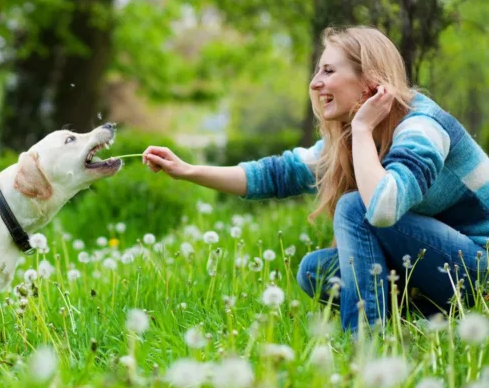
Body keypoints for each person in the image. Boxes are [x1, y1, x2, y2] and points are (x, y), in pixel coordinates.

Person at [142, 25, 489, 333]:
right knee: (316, 270)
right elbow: (274, 175)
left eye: (328, 70)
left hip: (478, 267)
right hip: (437, 265)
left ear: (369, 80)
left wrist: (363, 127)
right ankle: (429, 319)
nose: (315, 82)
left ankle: (366, 341)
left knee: (356, 207)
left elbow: (383, 208)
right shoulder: (355, 140)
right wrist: (187, 171)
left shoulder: (422, 126)